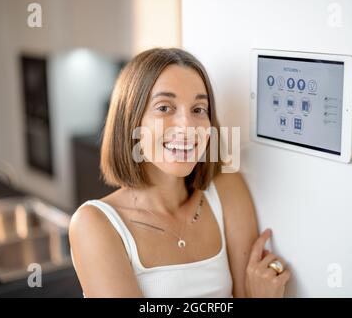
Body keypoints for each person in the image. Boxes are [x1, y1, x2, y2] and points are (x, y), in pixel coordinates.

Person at [69, 48, 291, 297]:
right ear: (131, 120)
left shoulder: (227, 188)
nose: (187, 126)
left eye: (198, 109)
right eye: (164, 107)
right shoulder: (95, 224)